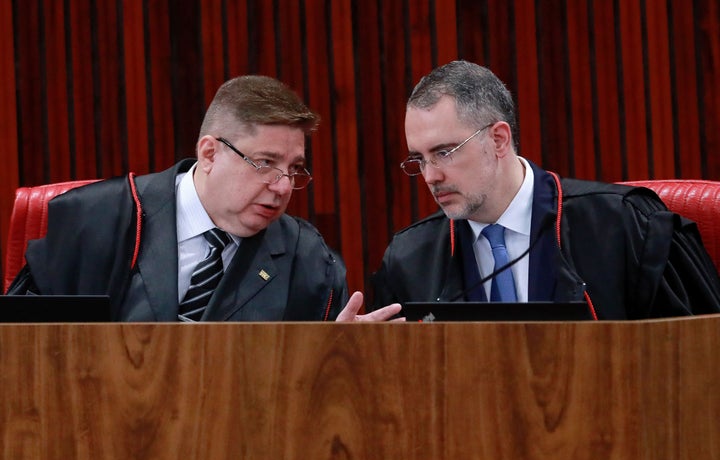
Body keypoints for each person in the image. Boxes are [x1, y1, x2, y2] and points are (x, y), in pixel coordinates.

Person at [6, 75, 400, 322]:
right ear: (210, 153)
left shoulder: (309, 259)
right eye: (265, 163)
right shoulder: (94, 220)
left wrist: (343, 356)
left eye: (294, 168)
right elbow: (22, 349)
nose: (282, 187)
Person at [371, 60, 720, 319]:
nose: (430, 176)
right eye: (419, 159)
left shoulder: (625, 227)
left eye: (444, 153)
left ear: (498, 139)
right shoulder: (409, 259)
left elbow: (694, 355)